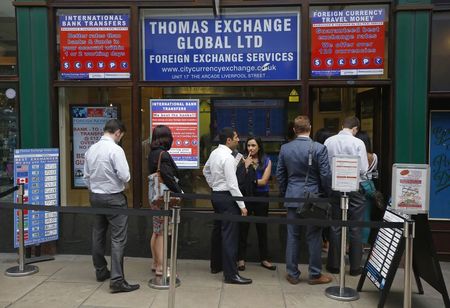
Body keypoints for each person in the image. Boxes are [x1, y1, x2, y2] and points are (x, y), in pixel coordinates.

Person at [83, 119, 140, 293]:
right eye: (121, 136)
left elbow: (86, 176)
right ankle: (116, 279)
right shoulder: (116, 150)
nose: (120, 138)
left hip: (96, 196)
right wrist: (124, 183)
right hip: (114, 198)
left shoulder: (91, 149)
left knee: (98, 233)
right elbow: (124, 175)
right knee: (118, 238)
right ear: (117, 133)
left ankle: (101, 271)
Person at [276, 116, 333, 285]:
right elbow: (325, 175)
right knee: (314, 237)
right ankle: (315, 274)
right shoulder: (319, 148)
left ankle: (292, 274)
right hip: (313, 199)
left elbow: (280, 175)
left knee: (292, 237)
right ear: (310, 127)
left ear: (294, 130)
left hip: (292, 196)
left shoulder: (285, 148)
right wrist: (325, 193)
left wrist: (286, 193)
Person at [203, 127, 252, 285]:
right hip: (227, 197)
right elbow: (233, 184)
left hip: (216, 195)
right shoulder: (229, 157)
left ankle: (216, 265)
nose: (239, 140)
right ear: (228, 140)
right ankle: (231, 274)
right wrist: (242, 205)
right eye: (236, 137)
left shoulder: (214, 153)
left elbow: (206, 170)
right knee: (230, 237)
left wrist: (214, 185)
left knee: (218, 231)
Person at [325, 116, 368, 276]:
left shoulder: (329, 141)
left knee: (336, 225)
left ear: (343, 125)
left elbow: (325, 166)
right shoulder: (358, 143)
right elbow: (363, 169)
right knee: (355, 227)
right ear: (355, 128)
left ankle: (334, 265)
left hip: (335, 186)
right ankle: (355, 267)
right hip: (353, 186)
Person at [236, 136, 276, 272]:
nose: (250, 148)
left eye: (253, 145)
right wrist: (246, 168)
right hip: (246, 197)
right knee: (243, 229)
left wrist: (250, 180)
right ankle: (241, 259)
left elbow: (264, 181)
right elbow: (239, 180)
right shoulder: (242, 160)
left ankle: (264, 258)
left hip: (261, 197)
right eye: (248, 146)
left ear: (259, 146)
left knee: (262, 228)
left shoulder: (266, 160)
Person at [148, 125, 183, 276]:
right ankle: (162, 267)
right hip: (164, 198)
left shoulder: (152, 153)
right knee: (162, 232)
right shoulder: (164, 155)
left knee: (156, 231)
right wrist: (179, 191)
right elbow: (168, 176)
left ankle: (156, 263)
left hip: (154, 197)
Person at [355, 130, 383, 245]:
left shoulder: (357, 155)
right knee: (367, 218)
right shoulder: (374, 156)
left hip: (359, 187)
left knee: (355, 218)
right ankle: (364, 243)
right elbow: (373, 173)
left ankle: (354, 244)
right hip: (370, 188)